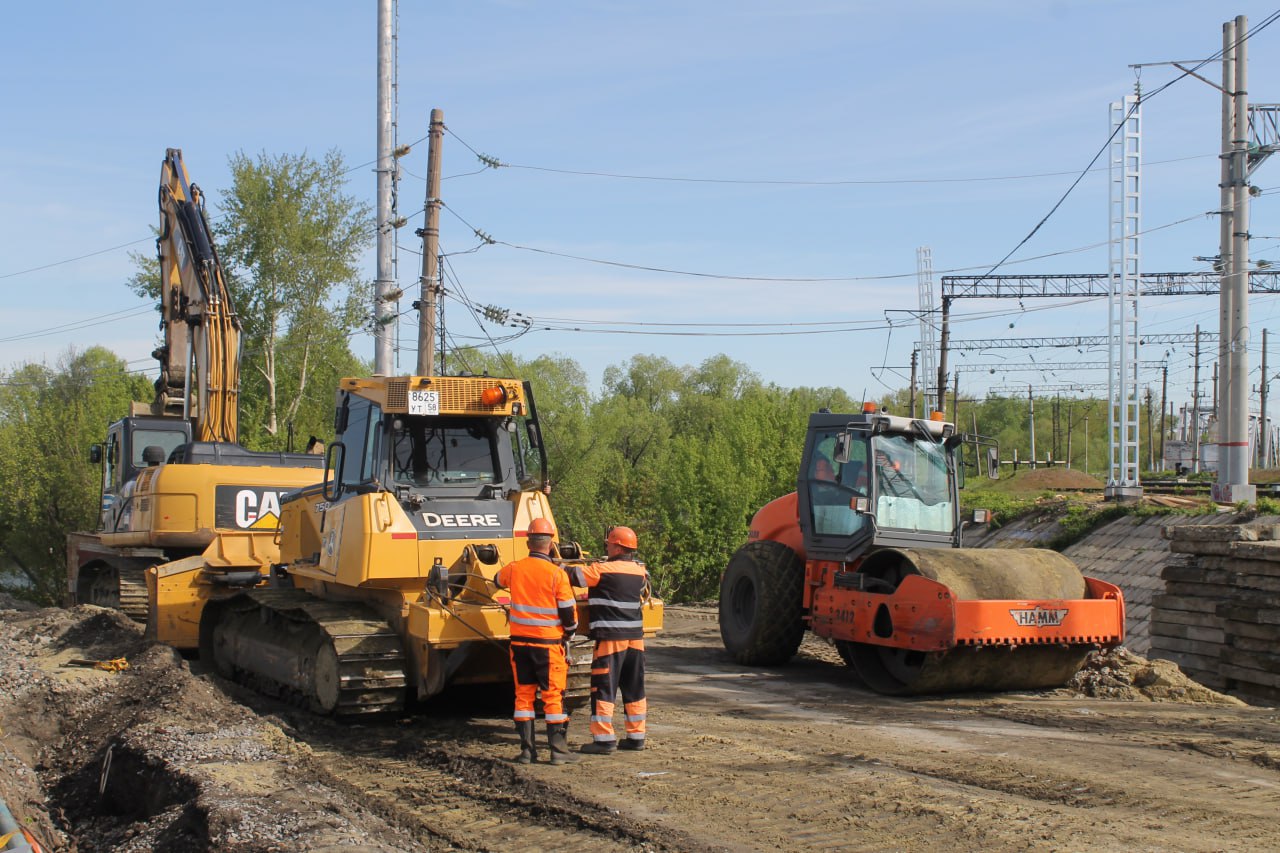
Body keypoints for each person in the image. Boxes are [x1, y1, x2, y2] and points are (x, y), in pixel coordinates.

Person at [495, 518, 579, 765]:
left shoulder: (515, 568)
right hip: (548, 646)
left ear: (527, 542)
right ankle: (558, 752)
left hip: (520, 645)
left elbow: (497, 581)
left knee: (523, 696)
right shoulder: (557, 574)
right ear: (551, 544)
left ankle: (526, 752)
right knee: (553, 697)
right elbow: (568, 612)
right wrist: (570, 632)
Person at [568, 526, 648, 755]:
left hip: (611, 638)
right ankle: (636, 736)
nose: (607, 546)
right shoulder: (639, 572)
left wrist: (554, 564)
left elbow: (574, 576)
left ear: (618, 546)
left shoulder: (601, 570)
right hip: (635, 639)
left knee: (603, 688)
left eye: (609, 544)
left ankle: (604, 740)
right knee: (634, 689)